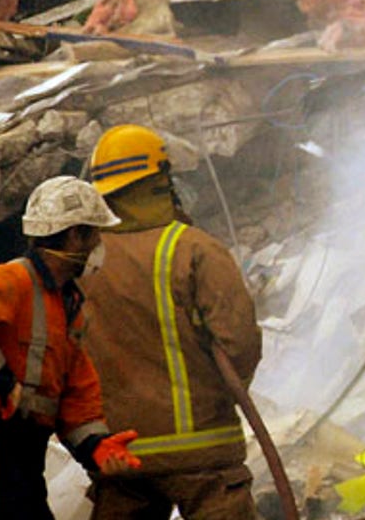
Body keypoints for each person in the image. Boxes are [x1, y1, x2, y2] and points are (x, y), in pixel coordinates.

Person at [80, 124, 264, 520]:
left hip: (118, 456)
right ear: (160, 180)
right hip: (204, 449)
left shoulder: (81, 258)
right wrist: (224, 395)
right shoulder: (193, 248)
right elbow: (240, 342)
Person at [0, 176, 141, 520]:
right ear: (75, 235)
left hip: (20, 447)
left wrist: (95, 444)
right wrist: (0, 380)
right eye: (95, 234)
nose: (99, 244)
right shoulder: (15, 280)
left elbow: (75, 388)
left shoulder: (67, 304)